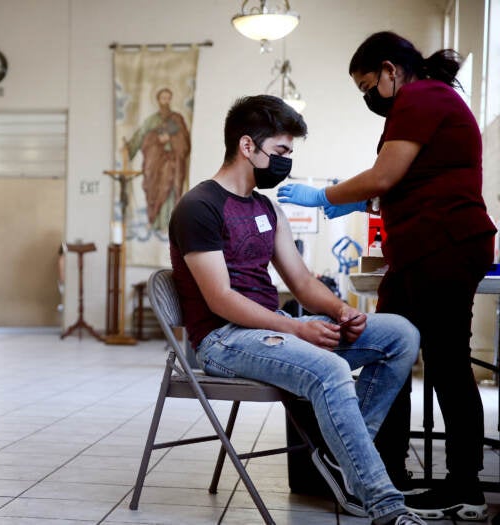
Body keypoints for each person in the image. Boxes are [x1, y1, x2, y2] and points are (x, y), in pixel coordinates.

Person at [169, 94, 423, 525]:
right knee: (329, 370)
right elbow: (221, 300)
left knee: (401, 335)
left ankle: (341, 454)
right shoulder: (199, 208)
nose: (286, 162)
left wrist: (342, 312)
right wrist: (297, 330)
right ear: (247, 146)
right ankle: (385, 505)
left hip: (273, 329)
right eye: (281, 152)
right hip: (223, 340)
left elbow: (303, 283)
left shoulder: (267, 208)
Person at [277, 31, 497, 521]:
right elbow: (402, 180)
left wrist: (325, 197)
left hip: (443, 245)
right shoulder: (426, 101)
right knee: (391, 348)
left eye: (366, 84)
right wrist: (358, 200)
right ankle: (386, 474)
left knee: (444, 364)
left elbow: (384, 175)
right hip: (425, 249)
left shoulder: (422, 95)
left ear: (390, 70)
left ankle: (464, 485)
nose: (367, 97)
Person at [123, 87, 191, 231]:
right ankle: (154, 222)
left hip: (173, 161)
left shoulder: (177, 119)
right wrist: (129, 148)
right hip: (155, 163)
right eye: (163, 98)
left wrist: (171, 138)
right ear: (158, 100)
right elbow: (140, 136)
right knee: (154, 188)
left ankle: (169, 224)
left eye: (168, 98)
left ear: (170, 99)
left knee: (170, 189)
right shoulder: (151, 120)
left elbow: (185, 140)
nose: (165, 101)